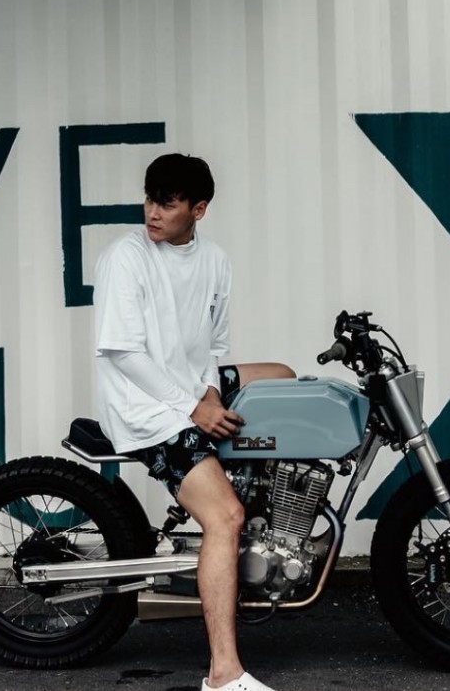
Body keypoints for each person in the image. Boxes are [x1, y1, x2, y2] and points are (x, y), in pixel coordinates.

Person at [93, 153, 294, 691]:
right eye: (149, 198)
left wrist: (208, 391)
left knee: (283, 377)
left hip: (186, 384)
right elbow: (123, 354)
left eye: (167, 202)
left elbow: (213, 345)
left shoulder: (215, 261)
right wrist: (192, 406)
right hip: (143, 404)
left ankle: (267, 502)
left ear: (198, 210)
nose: (152, 212)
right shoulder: (126, 257)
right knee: (225, 517)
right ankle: (223, 674)